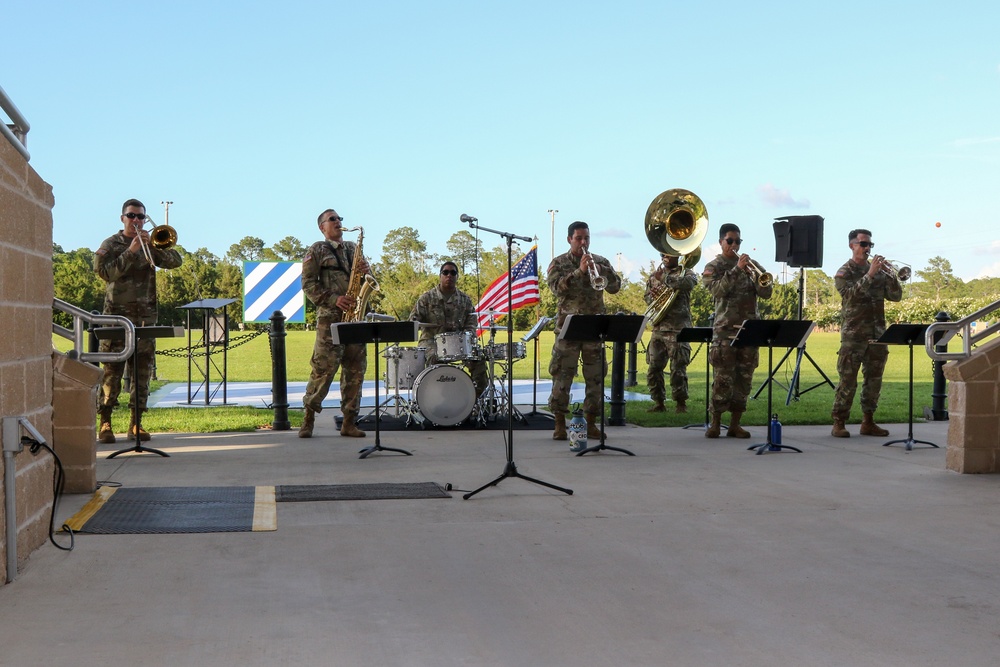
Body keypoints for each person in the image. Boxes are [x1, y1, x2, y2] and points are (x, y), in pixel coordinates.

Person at [95, 198, 183, 443]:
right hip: (116, 320)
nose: (136, 220)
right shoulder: (110, 244)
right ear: (122, 218)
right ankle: (105, 422)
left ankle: (136, 424)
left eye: (141, 217)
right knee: (111, 374)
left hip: (145, 320)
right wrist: (131, 250)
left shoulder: (150, 243)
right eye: (132, 216)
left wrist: (151, 248)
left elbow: (176, 261)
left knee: (142, 372)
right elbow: (105, 273)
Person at [547, 221, 622, 440]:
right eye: (578, 238)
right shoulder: (559, 263)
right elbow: (555, 288)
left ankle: (591, 423)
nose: (583, 242)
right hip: (568, 328)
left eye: (586, 238)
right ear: (569, 239)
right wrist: (579, 272)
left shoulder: (600, 261)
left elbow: (615, 288)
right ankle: (560, 423)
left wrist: (603, 270)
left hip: (594, 328)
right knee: (562, 376)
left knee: (596, 378)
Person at [299, 208, 370, 439]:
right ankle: (308, 419)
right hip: (331, 320)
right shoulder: (317, 250)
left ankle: (349, 422)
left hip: (355, 318)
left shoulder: (353, 248)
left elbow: (369, 280)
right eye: (333, 219)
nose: (338, 222)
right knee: (323, 370)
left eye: (340, 218)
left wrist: (367, 272)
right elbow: (308, 284)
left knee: (355, 371)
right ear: (323, 227)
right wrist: (334, 299)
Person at [701, 223, 773, 438]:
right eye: (730, 241)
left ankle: (735, 424)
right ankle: (715, 423)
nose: (734, 245)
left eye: (738, 241)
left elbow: (766, 292)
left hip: (749, 330)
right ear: (721, 242)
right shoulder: (713, 266)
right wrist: (736, 270)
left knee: (744, 379)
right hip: (724, 331)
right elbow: (717, 291)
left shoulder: (752, 265)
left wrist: (759, 280)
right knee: (723, 379)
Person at [830, 229, 903, 438]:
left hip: (878, 334)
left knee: (874, 381)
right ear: (852, 245)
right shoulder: (844, 272)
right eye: (863, 244)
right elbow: (849, 296)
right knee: (847, 381)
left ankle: (868, 422)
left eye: (869, 244)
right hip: (854, 335)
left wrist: (893, 275)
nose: (867, 248)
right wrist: (870, 274)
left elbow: (896, 296)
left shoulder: (880, 272)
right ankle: (839, 422)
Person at [409, 261, 489, 399]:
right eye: (445, 272)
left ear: (457, 276)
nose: (449, 275)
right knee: (435, 358)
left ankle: (473, 401)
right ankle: (435, 400)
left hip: (457, 342)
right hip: (431, 341)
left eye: (453, 273)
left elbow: (471, 322)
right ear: (440, 275)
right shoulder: (426, 298)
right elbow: (413, 321)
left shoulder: (465, 300)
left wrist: (467, 336)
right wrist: (417, 324)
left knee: (479, 359)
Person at [644, 253, 697, 413]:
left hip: (678, 328)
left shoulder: (686, 272)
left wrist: (665, 280)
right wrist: (652, 295)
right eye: (662, 254)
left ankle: (681, 404)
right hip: (659, 328)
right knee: (654, 368)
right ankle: (659, 402)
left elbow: (689, 284)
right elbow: (647, 298)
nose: (665, 257)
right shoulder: (654, 276)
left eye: (668, 254)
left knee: (678, 369)